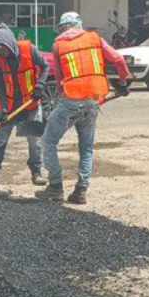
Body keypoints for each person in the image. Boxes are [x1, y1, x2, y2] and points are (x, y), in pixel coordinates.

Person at [40, 11, 131, 205]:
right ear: (79, 25)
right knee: (86, 147)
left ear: (62, 28)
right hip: (93, 100)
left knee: (48, 142)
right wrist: (123, 82)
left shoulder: (59, 45)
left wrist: (59, 99)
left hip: (71, 99)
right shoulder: (95, 38)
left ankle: (55, 187)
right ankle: (81, 190)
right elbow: (118, 60)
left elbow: (58, 78)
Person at [0, 24, 49, 188]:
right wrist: (5, 108)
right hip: (9, 105)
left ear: (10, 44)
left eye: (4, 49)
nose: (2, 53)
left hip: (31, 104)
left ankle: (36, 172)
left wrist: (40, 86)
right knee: (0, 140)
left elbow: (45, 67)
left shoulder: (29, 49)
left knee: (34, 141)